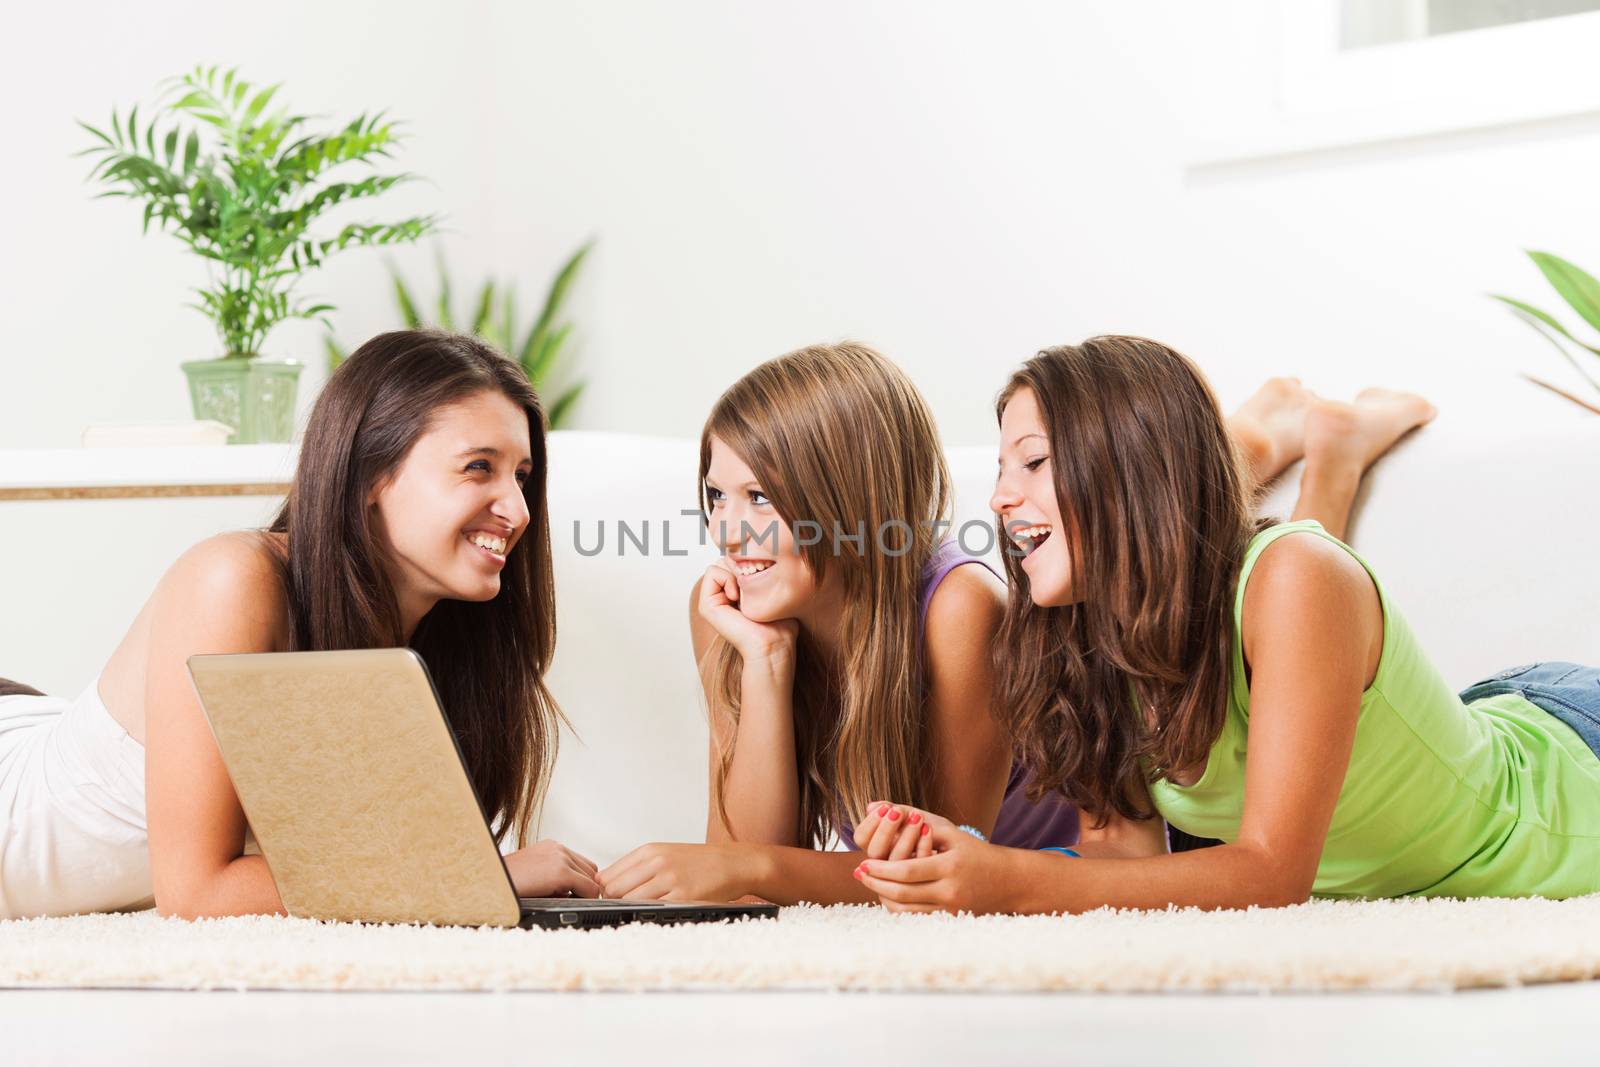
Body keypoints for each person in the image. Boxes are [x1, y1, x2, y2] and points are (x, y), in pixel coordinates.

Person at [601, 341, 1367, 903]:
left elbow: (938, 853)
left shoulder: (960, 608)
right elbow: (741, 854)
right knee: (1164, 521)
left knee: (1210, 557)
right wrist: (764, 670)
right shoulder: (733, 614)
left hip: (1064, 863)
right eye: (715, 497)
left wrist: (749, 867)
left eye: (760, 498)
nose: (731, 532)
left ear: (845, 498)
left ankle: (1323, 460)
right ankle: (1259, 435)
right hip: (999, 873)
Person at [854, 336, 1595, 912]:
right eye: (1001, 474)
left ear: (1129, 469)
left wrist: (1010, 880)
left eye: (1033, 462)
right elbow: (1123, 858)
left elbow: (1272, 871)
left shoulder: (1296, 575)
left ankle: (1331, 455)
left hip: (1565, 782)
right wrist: (957, 862)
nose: (1001, 502)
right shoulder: (1081, 638)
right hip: (1472, 728)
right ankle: (1334, 449)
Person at [0, 330, 598, 920]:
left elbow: (368, 867)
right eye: (477, 467)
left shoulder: (447, 651)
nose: (517, 511)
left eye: (521, 476)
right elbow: (195, 894)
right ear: (370, 478)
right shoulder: (233, 579)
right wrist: (478, 873)